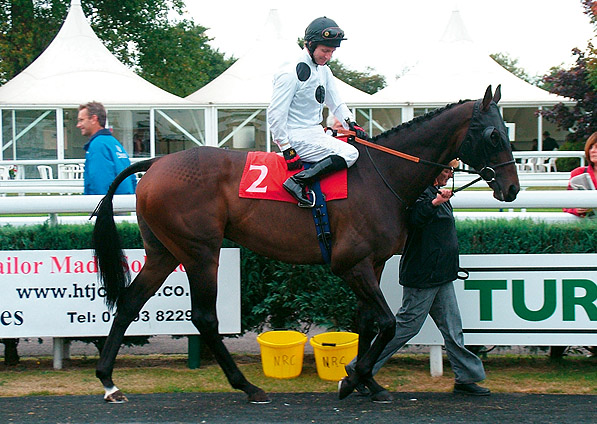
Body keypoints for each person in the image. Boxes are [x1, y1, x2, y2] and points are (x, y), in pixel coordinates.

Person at [346, 160, 490, 401]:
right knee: (406, 326)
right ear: (435, 171)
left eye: (451, 171)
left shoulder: (436, 194)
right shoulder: (420, 193)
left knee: (452, 329)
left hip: (441, 275)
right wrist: (435, 203)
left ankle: (466, 378)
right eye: (446, 170)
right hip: (423, 275)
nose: (449, 175)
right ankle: (359, 369)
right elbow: (414, 220)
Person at [267, 16, 368, 207]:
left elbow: (336, 102)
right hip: (296, 137)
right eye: (325, 51)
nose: (328, 56)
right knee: (350, 154)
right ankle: (298, 181)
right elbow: (275, 113)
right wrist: (286, 147)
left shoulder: (324, 70)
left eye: (332, 51)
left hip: (314, 133)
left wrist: (351, 123)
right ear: (310, 45)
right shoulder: (289, 72)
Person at [77, 101, 137, 195]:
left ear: (93, 119)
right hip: (124, 203)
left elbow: (100, 183)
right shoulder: (114, 143)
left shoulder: (98, 145)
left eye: (81, 120)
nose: (78, 125)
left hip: (110, 205)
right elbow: (132, 178)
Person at [563, 132, 597, 217]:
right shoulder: (578, 173)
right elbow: (567, 203)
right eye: (591, 147)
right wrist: (576, 209)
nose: (592, 151)